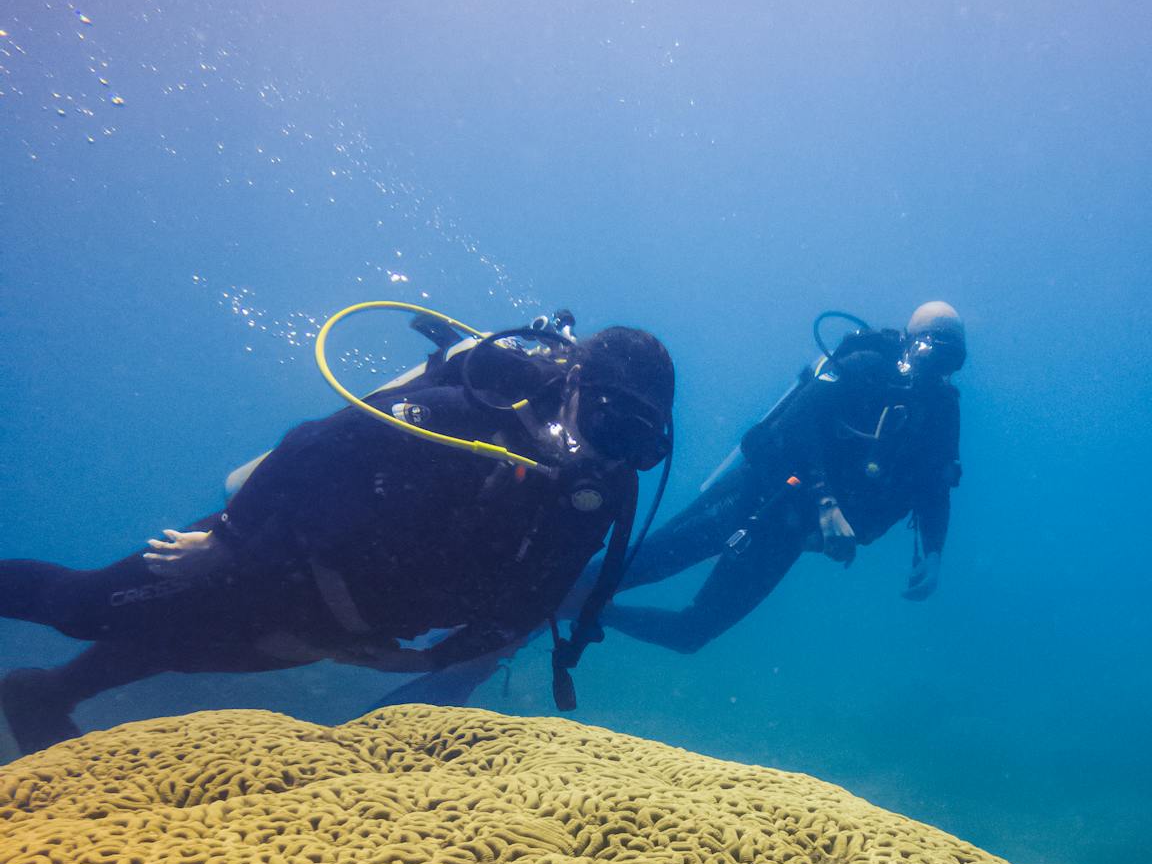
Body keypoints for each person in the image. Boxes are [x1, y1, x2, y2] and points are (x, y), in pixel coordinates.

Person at [0, 320, 675, 754]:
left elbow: (540, 598)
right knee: (80, 607)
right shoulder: (469, 416)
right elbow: (314, 444)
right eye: (613, 425)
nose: (615, 454)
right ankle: (46, 680)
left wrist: (430, 661)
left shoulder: (602, 494)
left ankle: (43, 695)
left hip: (344, 623)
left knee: (179, 648)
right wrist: (228, 540)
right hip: (268, 558)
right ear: (578, 387)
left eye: (640, 444)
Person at [602, 300, 965, 652]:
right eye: (932, 350)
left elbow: (937, 486)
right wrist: (825, 501)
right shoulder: (864, 367)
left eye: (952, 359)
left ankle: (590, 613)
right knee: (624, 571)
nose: (939, 369)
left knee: (692, 633)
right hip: (757, 493)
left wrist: (933, 554)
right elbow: (795, 425)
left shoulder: (943, 411)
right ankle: (559, 603)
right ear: (909, 341)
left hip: (790, 532)